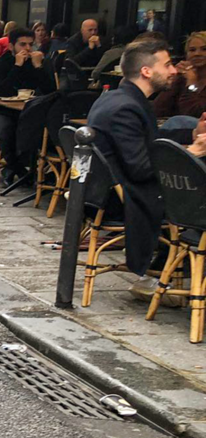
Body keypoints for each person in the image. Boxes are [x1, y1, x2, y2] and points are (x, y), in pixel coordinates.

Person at [88, 39, 206, 293]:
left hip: (116, 189)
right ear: (146, 71)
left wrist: (191, 134)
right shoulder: (126, 107)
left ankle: (170, 271)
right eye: (167, 65)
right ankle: (181, 278)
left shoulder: (120, 98)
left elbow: (150, 140)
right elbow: (141, 168)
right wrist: (191, 153)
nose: (174, 70)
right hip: (126, 198)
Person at [0, 27, 56, 181]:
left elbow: (51, 91)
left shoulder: (35, 63)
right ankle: (16, 168)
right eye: (22, 45)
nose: (27, 49)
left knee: (44, 129)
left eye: (30, 45)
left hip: (28, 111)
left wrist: (39, 67)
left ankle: (31, 169)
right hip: (0, 111)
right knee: (7, 130)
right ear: (11, 46)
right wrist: (17, 66)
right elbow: (1, 92)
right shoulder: (3, 63)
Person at [154, 31, 206, 127]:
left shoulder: (190, 79)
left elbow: (193, 113)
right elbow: (158, 108)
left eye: (204, 49)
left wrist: (191, 84)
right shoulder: (183, 77)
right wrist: (175, 77)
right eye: (192, 50)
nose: (197, 54)